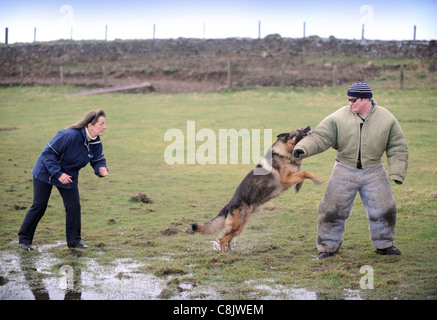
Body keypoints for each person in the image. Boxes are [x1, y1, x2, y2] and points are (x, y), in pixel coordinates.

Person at [293, 82, 408, 259]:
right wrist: (303, 148)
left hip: (374, 171)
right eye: (348, 100)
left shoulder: (387, 118)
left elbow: (397, 146)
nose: (350, 103)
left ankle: (384, 245)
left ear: (366, 99)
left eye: (353, 100)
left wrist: (397, 172)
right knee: (331, 210)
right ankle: (327, 248)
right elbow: (320, 136)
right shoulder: (338, 117)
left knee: (385, 209)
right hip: (344, 169)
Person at [18, 110, 108, 251]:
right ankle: (24, 240)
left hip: (69, 175)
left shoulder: (95, 142)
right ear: (90, 125)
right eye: (102, 124)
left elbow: (98, 160)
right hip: (45, 171)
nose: (105, 127)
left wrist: (101, 169)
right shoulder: (69, 135)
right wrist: (58, 174)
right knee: (39, 206)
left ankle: (74, 242)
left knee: (73, 206)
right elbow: (47, 153)